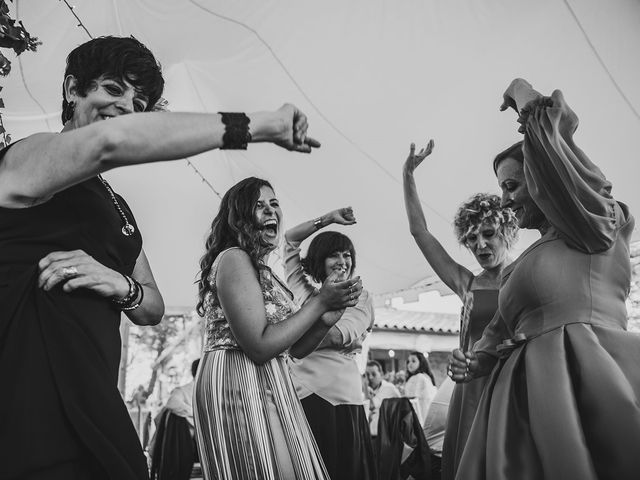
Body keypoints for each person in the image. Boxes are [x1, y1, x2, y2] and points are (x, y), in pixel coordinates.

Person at [0, 36, 320, 480]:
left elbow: (152, 306)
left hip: (94, 398)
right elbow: (107, 142)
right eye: (113, 90)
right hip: (26, 397)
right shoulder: (24, 160)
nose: (126, 108)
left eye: (139, 102)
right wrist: (257, 125)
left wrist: (118, 284)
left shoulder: (114, 205)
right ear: (73, 89)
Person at [449, 78, 640, 480]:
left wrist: (520, 91)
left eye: (512, 185)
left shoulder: (592, 225)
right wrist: (476, 360)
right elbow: (500, 329)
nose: (504, 200)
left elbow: (554, 141)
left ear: (542, 178)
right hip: (519, 409)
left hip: (587, 380)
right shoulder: (522, 264)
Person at [193, 177, 363, 480]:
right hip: (236, 380)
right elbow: (259, 346)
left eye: (274, 204)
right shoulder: (234, 259)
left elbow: (295, 348)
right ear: (240, 217)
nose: (271, 212)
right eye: (259, 206)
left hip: (270, 378)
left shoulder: (265, 271)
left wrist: (326, 317)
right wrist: (320, 301)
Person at [402, 140, 518, 480]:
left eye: (488, 234)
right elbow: (419, 231)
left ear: (507, 231)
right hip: (470, 387)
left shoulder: (527, 274)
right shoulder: (467, 283)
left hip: (513, 384)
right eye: (472, 238)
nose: (480, 244)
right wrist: (408, 174)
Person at [284, 207, 377, 480]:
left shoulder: (359, 297)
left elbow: (337, 335)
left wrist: (284, 337)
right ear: (319, 261)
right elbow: (289, 240)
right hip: (300, 397)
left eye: (347, 254)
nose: (342, 261)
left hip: (339, 400)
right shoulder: (303, 292)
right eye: (333, 254)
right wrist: (328, 219)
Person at [150, 359, 200, 480]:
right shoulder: (183, 390)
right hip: (189, 442)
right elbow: (172, 403)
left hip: (200, 440)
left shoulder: (214, 391)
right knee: (174, 417)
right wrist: (197, 414)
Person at [366, 360, 401, 438]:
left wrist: (364, 387)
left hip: (388, 436)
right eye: (367, 374)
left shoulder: (388, 388)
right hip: (376, 434)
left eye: (373, 374)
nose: (370, 377)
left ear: (381, 374)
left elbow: (371, 406)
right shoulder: (371, 389)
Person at [403, 351, 437, 425]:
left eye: (413, 361)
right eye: (408, 361)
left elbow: (411, 400)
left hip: (419, 417)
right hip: (427, 417)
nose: (410, 364)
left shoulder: (418, 377)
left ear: (421, 363)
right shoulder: (426, 377)